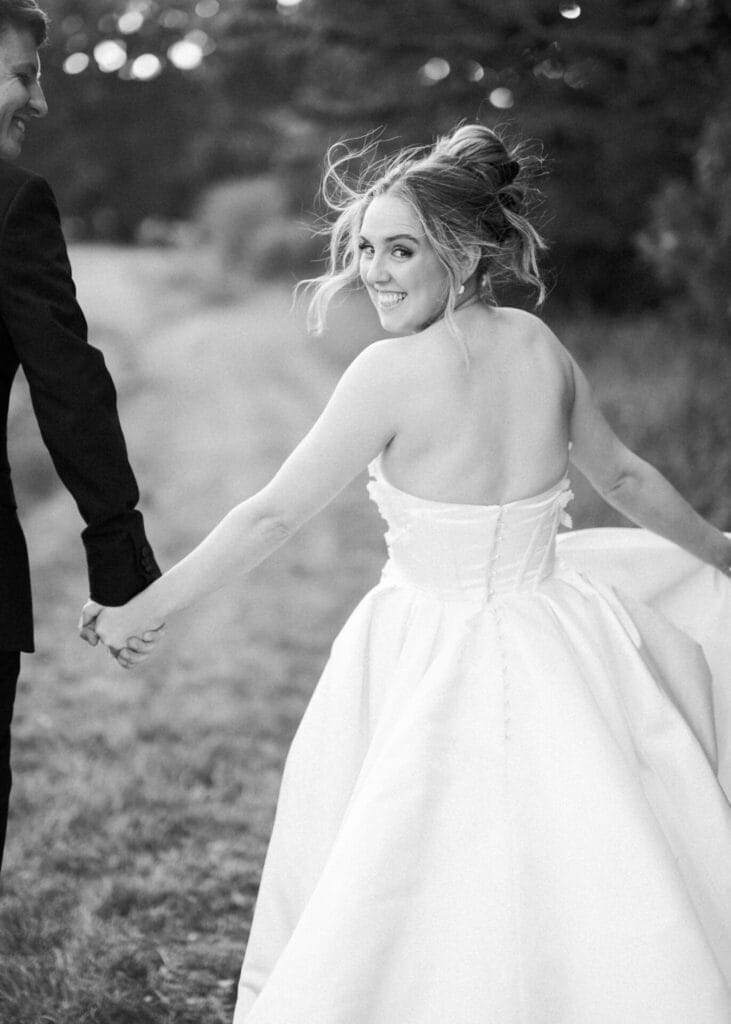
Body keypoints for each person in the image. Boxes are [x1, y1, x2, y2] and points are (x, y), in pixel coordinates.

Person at [89, 124, 731, 1022]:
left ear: (465, 253)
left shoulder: (389, 372)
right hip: (564, 637)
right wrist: (720, 552)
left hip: (429, 646)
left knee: (426, 858)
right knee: (587, 840)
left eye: (400, 249)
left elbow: (273, 514)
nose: (373, 272)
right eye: (363, 250)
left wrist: (142, 607)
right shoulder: (538, 346)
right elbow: (621, 477)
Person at [0, 0, 163, 873]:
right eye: (26, 74)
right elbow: (68, 388)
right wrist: (118, 555)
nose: (41, 101)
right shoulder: (12, 203)